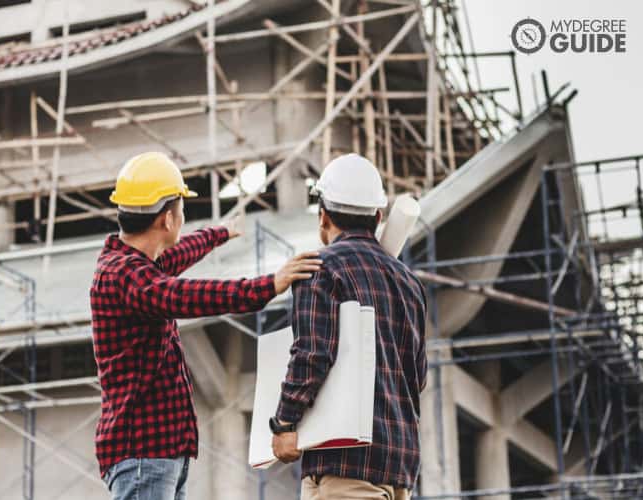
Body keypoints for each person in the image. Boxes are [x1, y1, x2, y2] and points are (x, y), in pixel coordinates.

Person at [91, 152, 321, 500]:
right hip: (143, 455)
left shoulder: (132, 266)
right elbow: (186, 295)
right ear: (168, 219)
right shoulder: (126, 277)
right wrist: (269, 285)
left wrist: (218, 234)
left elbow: (176, 256)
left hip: (158, 454)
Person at [270, 154, 428, 500]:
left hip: (345, 464)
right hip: (399, 468)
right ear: (378, 216)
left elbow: (312, 354)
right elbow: (417, 377)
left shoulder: (320, 268)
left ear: (323, 215)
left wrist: (283, 423)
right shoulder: (409, 282)